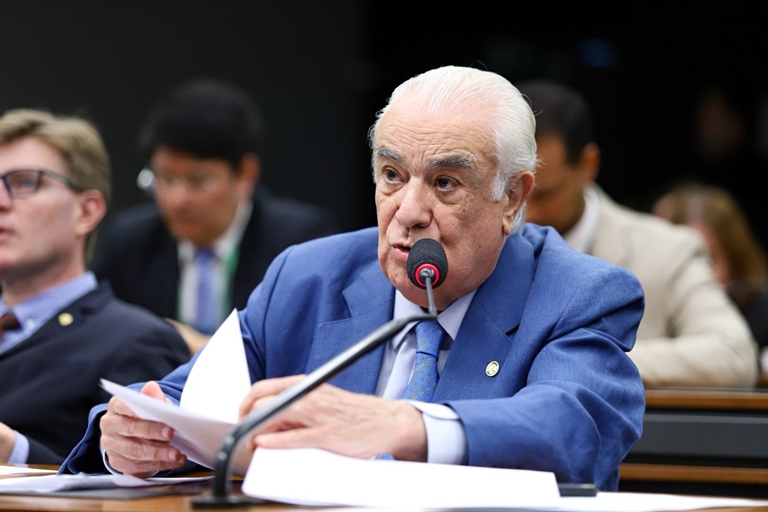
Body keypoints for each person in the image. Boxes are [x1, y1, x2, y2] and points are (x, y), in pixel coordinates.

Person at [62, 66, 646, 491]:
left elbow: (574, 430)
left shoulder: (580, 294)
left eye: (445, 183)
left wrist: (399, 425)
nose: (408, 212)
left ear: (513, 198)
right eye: (392, 175)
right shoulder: (307, 275)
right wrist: (135, 438)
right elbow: (183, 400)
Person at [519, 80, 758, 388]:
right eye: (513, 191)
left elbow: (734, 355)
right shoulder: (477, 246)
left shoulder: (667, 251)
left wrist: (585, 360)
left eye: (544, 194)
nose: (527, 211)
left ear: (589, 164)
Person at [89, 79, 339, 353]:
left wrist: (198, 347)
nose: (177, 199)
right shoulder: (131, 241)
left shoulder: (299, 242)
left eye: (198, 182)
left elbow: (306, 349)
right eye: (165, 179)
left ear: (246, 174)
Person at [0, 109, 190, 465]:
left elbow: (151, 476)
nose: (1, 201)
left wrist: (14, 451)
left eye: (25, 183)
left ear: (86, 211)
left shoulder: (136, 341)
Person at [652, 180, 768, 370]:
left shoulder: (762, 316)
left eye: (710, 259)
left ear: (735, 257)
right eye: (691, 260)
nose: (700, 274)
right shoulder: (651, 317)